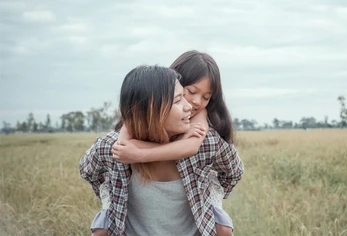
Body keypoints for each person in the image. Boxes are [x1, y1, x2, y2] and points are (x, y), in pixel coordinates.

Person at [80, 65, 244, 235]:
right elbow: (88, 171)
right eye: (178, 100)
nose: (190, 106)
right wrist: (112, 200)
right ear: (152, 109)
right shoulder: (113, 148)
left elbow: (234, 171)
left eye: (205, 97)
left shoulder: (203, 141)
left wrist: (210, 201)